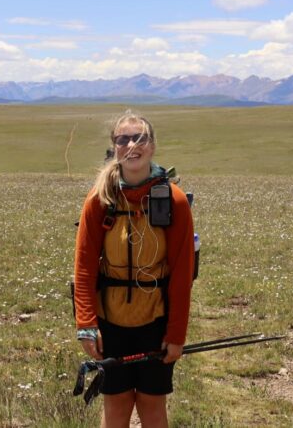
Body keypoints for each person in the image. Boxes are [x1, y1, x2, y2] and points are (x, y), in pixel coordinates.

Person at [73, 111, 194, 428]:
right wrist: (86, 323)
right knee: (116, 406)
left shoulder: (174, 201)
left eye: (140, 138)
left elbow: (182, 274)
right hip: (109, 322)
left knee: (153, 407)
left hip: (157, 319)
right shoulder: (100, 200)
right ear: (114, 147)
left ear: (152, 146)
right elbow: (84, 268)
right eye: (123, 139)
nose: (132, 145)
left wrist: (176, 334)